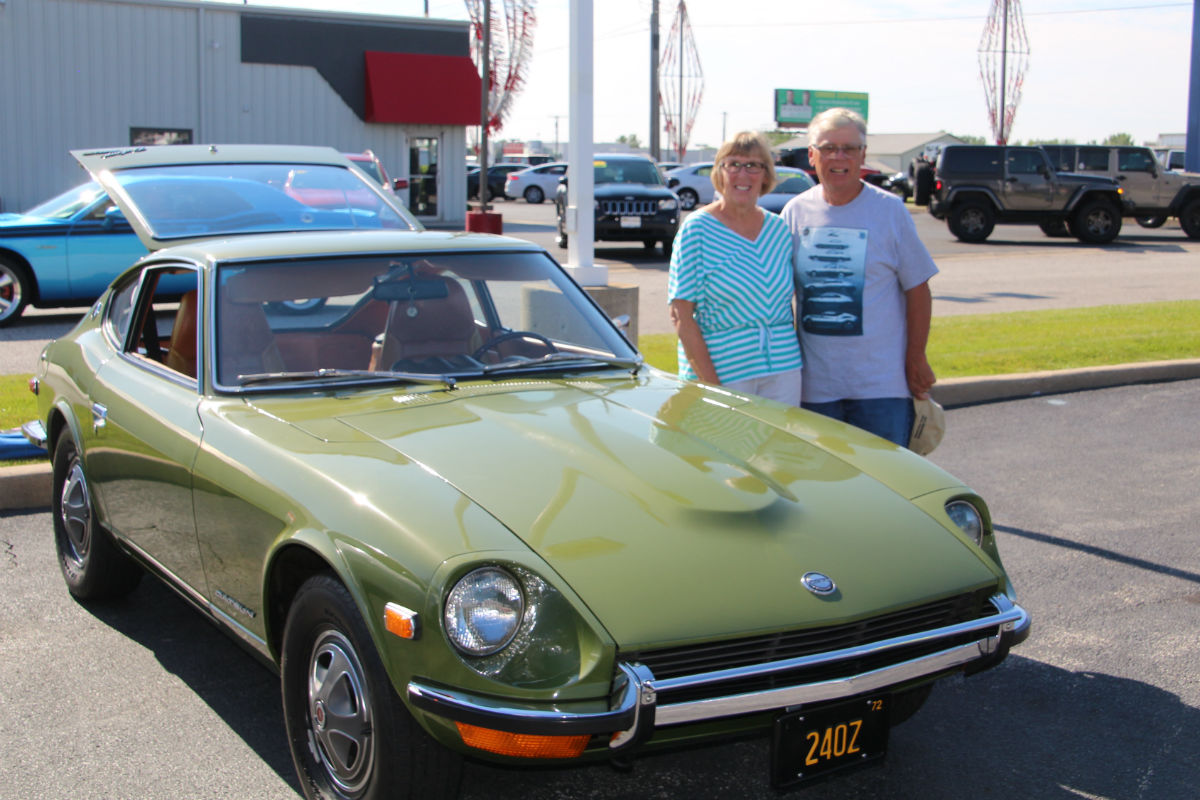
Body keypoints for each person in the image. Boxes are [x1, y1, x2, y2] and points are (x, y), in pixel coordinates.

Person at [780, 107, 937, 446]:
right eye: (828, 147)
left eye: (849, 148)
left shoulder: (890, 210)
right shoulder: (795, 212)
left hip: (881, 390)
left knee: (886, 490)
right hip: (814, 389)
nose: (839, 157)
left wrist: (916, 356)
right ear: (811, 155)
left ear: (863, 154)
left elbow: (918, 289)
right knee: (820, 491)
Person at [667, 131, 804, 404]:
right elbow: (681, 316)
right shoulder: (697, 230)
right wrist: (713, 387)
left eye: (753, 165)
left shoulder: (778, 230)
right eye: (734, 165)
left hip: (783, 372)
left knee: (779, 448)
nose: (744, 174)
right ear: (720, 172)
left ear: (766, 175)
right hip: (723, 373)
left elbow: (785, 306)